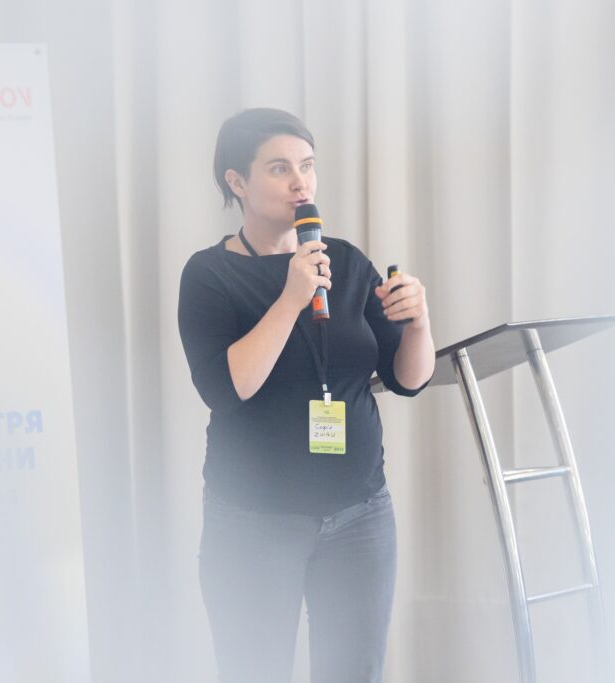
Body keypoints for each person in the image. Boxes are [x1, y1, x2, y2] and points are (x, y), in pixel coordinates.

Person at [177, 107, 435, 683]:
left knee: (355, 672)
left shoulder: (345, 261)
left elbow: (408, 378)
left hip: (361, 515)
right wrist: (291, 297)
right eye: (279, 168)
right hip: (254, 521)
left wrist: (419, 322)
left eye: (308, 166)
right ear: (237, 181)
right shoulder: (208, 275)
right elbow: (226, 389)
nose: (301, 183)